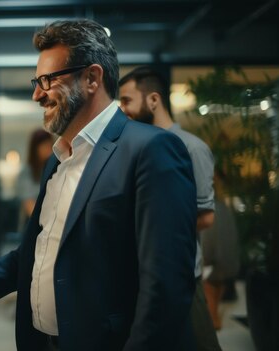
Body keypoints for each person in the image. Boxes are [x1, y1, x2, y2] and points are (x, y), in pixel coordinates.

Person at [0, 19, 198, 351]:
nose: (36, 94)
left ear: (91, 78)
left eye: (48, 80)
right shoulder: (58, 159)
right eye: (36, 81)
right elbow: (36, 254)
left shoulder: (151, 150)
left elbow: (166, 287)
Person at [119, 66, 221, 351]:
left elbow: (207, 215)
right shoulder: (134, 149)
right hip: (143, 278)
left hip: (183, 278)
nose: (122, 109)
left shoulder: (192, 147)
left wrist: (149, 226)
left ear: (153, 100)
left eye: (127, 100)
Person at [201, 170, 240, 330]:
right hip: (227, 264)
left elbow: (208, 243)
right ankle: (215, 317)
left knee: (208, 284)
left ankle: (213, 320)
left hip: (214, 264)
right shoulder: (224, 207)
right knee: (215, 284)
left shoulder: (211, 208)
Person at [16, 129, 54, 222]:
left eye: (50, 145)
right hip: (34, 223)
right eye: (45, 146)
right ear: (36, 149)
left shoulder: (53, 168)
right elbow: (29, 206)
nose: (48, 150)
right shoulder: (27, 172)